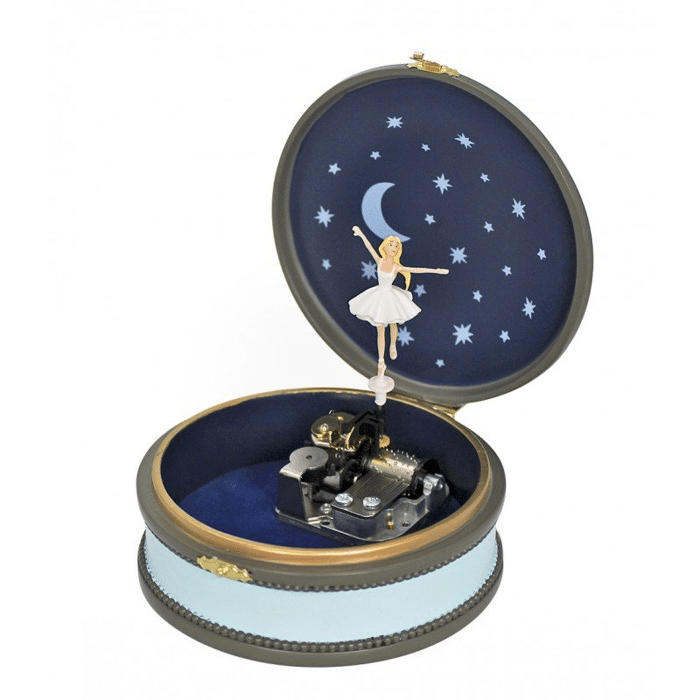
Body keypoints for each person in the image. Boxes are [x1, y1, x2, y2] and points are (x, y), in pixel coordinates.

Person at [349, 225, 449, 376]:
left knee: (393, 324)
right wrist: (361, 234)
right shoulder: (380, 261)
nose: (394, 248)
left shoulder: (396, 267)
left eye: (396, 246)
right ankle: (381, 362)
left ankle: (393, 345)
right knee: (380, 328)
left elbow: (415, 270)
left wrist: (436, 271)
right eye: (391, 244)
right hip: (379, 295)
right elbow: (369, 247)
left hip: (390, 296)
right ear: (385, 247)